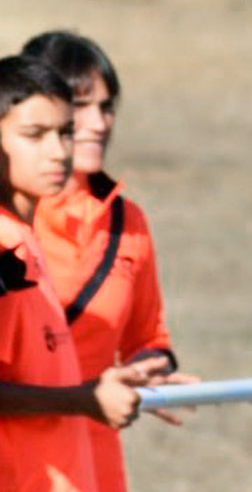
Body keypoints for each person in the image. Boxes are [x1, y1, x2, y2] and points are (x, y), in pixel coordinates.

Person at [20, 31, 194, 492]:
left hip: (93, 464)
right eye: (81, 105)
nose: (99, 122)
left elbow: (148, 334)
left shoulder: (127, 222)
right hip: (18, 461)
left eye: (108, 105)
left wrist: (151, 371)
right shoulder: (11, 222)